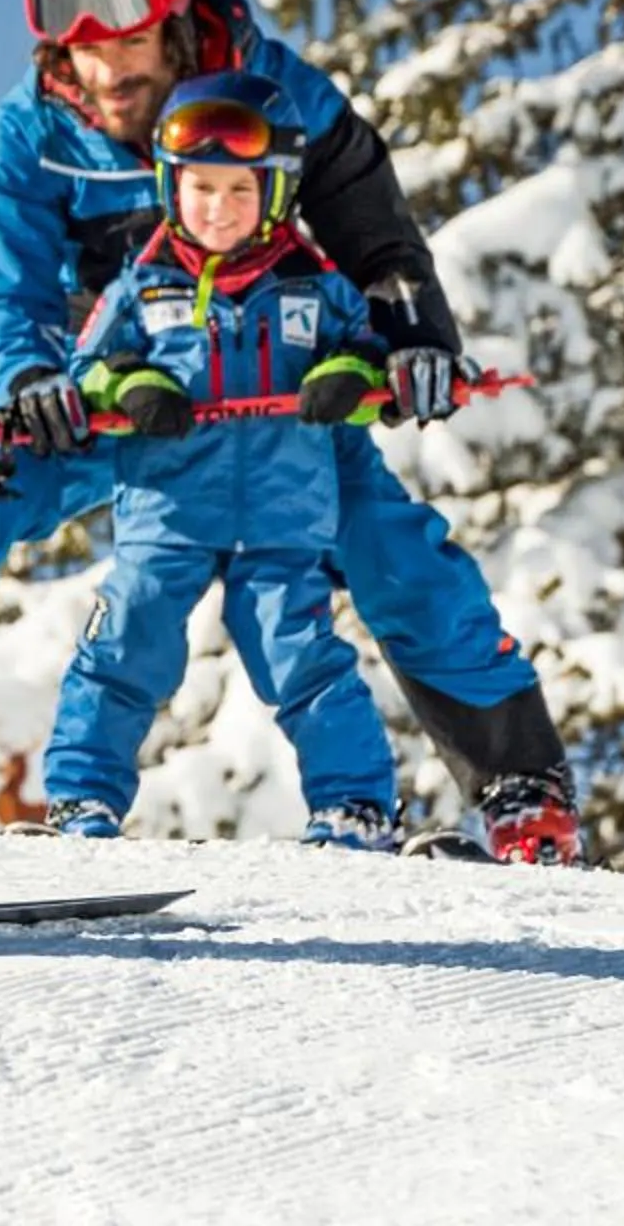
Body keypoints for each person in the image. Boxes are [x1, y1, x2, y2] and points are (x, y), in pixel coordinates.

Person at [0, 0, 584, 866]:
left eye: (123, 32)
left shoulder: (275, 90)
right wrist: (35, 378)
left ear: (172, 13)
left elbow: (376, 234)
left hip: (282, 390)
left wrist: (412, 338)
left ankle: (520, 794)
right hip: (128, 394)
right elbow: (8, 293)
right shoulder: (29, 133)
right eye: (71, 36)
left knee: (393, 545)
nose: (101, 65)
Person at [30, 73, 403, 852]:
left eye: (240, 190)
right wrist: (132, 384)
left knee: (300, 654)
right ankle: (80, 802)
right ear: (172, 187)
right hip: (168, 511)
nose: (218, 208)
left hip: (283, 515)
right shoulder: (145, 284)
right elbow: (91, 366)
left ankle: (354, 806)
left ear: (274, 194)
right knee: (126, 640)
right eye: (201, 188)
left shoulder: (313, 285)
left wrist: (349, 376)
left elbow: (371, 354)